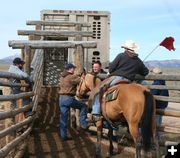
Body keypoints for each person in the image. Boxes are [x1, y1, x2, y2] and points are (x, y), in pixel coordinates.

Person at [91, 40, 149, 120]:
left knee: (99, 90)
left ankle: (96, 112)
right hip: (129, 81)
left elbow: (111, 69)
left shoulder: (121, 55)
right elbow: (145, 72)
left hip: (117, 78)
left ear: (125, 48)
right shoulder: (138, 60)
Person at [59, 63, 88, 141]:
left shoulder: (62, 77)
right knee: (83, 106)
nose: (74, 69)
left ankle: (63, 136)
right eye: (73, 68)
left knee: (63, 119)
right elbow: (81, 80)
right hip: (68, 98)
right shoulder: (71, 77)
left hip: (61, 98)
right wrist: (82, 76)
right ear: (69, 69)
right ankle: (83, 123)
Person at [151, 67, 169, 139]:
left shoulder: (156, 83)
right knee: (158, 122)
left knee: (156, 124)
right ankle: (157, 138)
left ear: (155, 74)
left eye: (153, 73)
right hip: (162, 106)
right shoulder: (163, 82)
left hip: (157, 106)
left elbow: (153, 94)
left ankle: (156, 140)